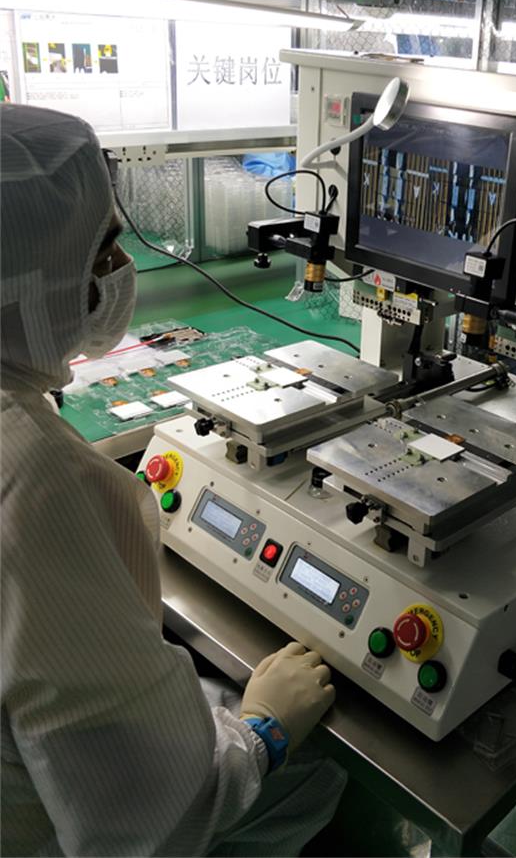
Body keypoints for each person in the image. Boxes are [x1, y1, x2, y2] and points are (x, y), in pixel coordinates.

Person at [0, 104, 346, 856]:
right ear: (34, 280)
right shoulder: (41, 481)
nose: (120, 269)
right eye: (103, 250)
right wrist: (263, 730)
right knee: (320, 772)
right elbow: (150, 817)